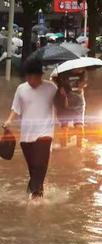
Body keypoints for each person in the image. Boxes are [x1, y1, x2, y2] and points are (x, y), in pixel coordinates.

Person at [2, 61, 66, 199]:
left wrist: (62, 93)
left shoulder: (51, 87)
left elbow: (62, 106)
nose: (30, 81)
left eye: (34, 78)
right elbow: (16, 108)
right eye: (28, 77)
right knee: (33, 168)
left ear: (41, 76)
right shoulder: (21, 89)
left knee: (39, 164)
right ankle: (37, 193)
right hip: (26, 136)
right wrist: (9, 121)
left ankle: (34, 197)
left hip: (45, 133)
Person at [53, 70, 87, 146]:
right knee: (64, 127)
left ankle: (79, 146)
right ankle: (64, 146)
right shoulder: (61, 72)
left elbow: (84, 83)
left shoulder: (82, 73)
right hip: (63, 102)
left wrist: (82, 84)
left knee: (78, 126)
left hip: (77, 101)